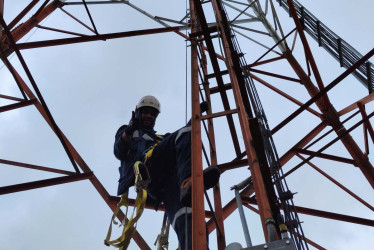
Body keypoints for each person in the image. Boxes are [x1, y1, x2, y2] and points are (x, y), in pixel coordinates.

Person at [113, 95, 220, 249]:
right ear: (138, 112)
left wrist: (194, 120)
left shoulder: (160, 139)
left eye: (153, 113)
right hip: (146, 171)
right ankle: (188, 180)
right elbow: (119, 151)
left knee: (189, 215)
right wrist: (130, 129)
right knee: (184, 133)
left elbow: (182, 141)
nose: (149, 116)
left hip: (166, 184)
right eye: (145, 112)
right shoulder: (129, 132)